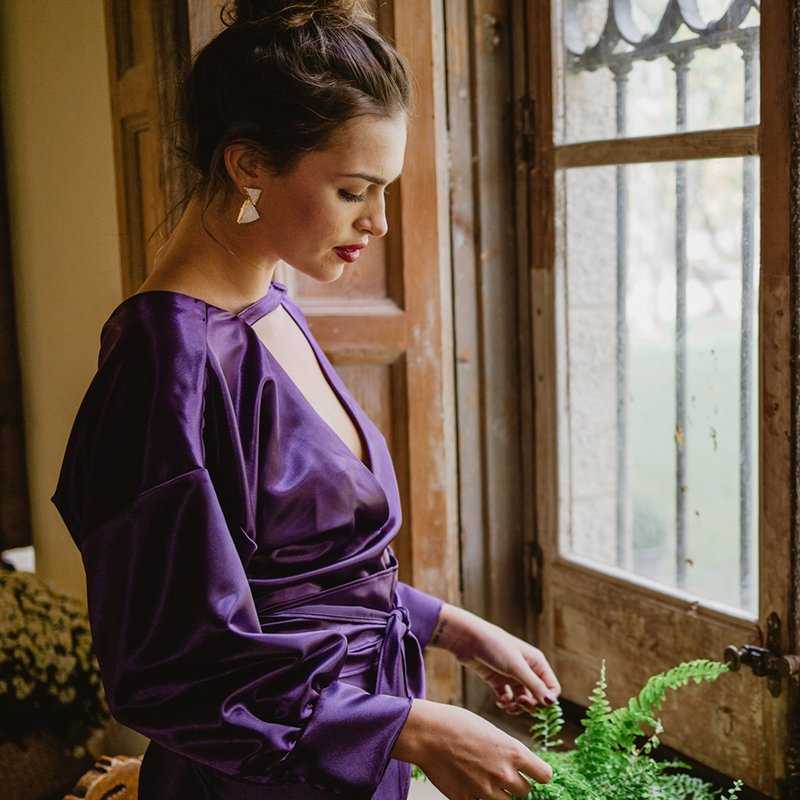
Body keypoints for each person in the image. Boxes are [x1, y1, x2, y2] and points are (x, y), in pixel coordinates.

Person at [50, 1, 561, 797]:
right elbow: (165, 662)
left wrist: (453, 629)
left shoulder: (269, 303)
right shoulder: (165, 364)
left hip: (346, 751)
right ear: (250, 165)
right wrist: (412, 728)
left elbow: (297, 576)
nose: (381, 222)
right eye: (356, 189)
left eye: (385, 188)